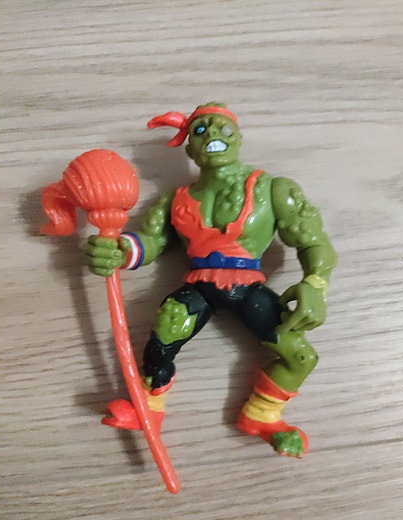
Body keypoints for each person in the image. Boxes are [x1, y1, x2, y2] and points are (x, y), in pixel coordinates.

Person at [84, 103, 337, 458]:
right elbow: (152, 241)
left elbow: (313, 242)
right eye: (200, 131)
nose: (213, 135)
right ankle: (148, 411)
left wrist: (315, 283)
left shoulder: (273, 189)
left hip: (248, 287)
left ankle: (262, 416)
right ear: (190, 148)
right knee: (163, 335)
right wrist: (120, 250)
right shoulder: (175, 199)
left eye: (223, 129)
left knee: (300, 357)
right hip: (199, 286)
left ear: (239, 138)